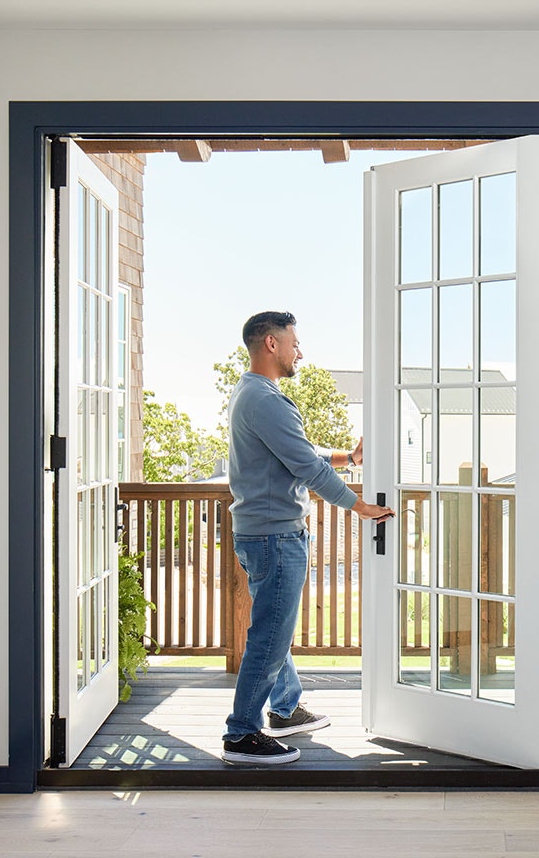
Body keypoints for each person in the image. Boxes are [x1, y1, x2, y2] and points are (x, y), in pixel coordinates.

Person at [221, 310, 392, 765]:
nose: (301, 350)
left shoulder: (253, 393)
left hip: (264, 533)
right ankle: (240, 734)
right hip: (274, 537)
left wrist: (345, 456)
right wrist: (360, 506)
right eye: (295, 341)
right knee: (270, 636)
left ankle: (285, 709)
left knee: (274, 625)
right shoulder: (266, 400)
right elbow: (306, 467)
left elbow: (298, 451)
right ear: (271, 345)